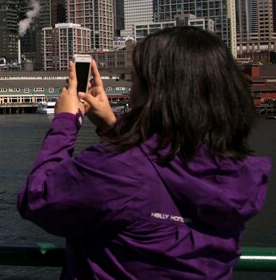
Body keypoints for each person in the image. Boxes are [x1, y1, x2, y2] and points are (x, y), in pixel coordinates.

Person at [17, 26, 271, 279]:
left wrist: (65, 120)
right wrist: (113, 127)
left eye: (135, 79)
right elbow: (162, 173)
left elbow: (37, 199)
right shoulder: (240, 173)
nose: (130, 90)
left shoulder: (120, 169)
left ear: (157, 92)